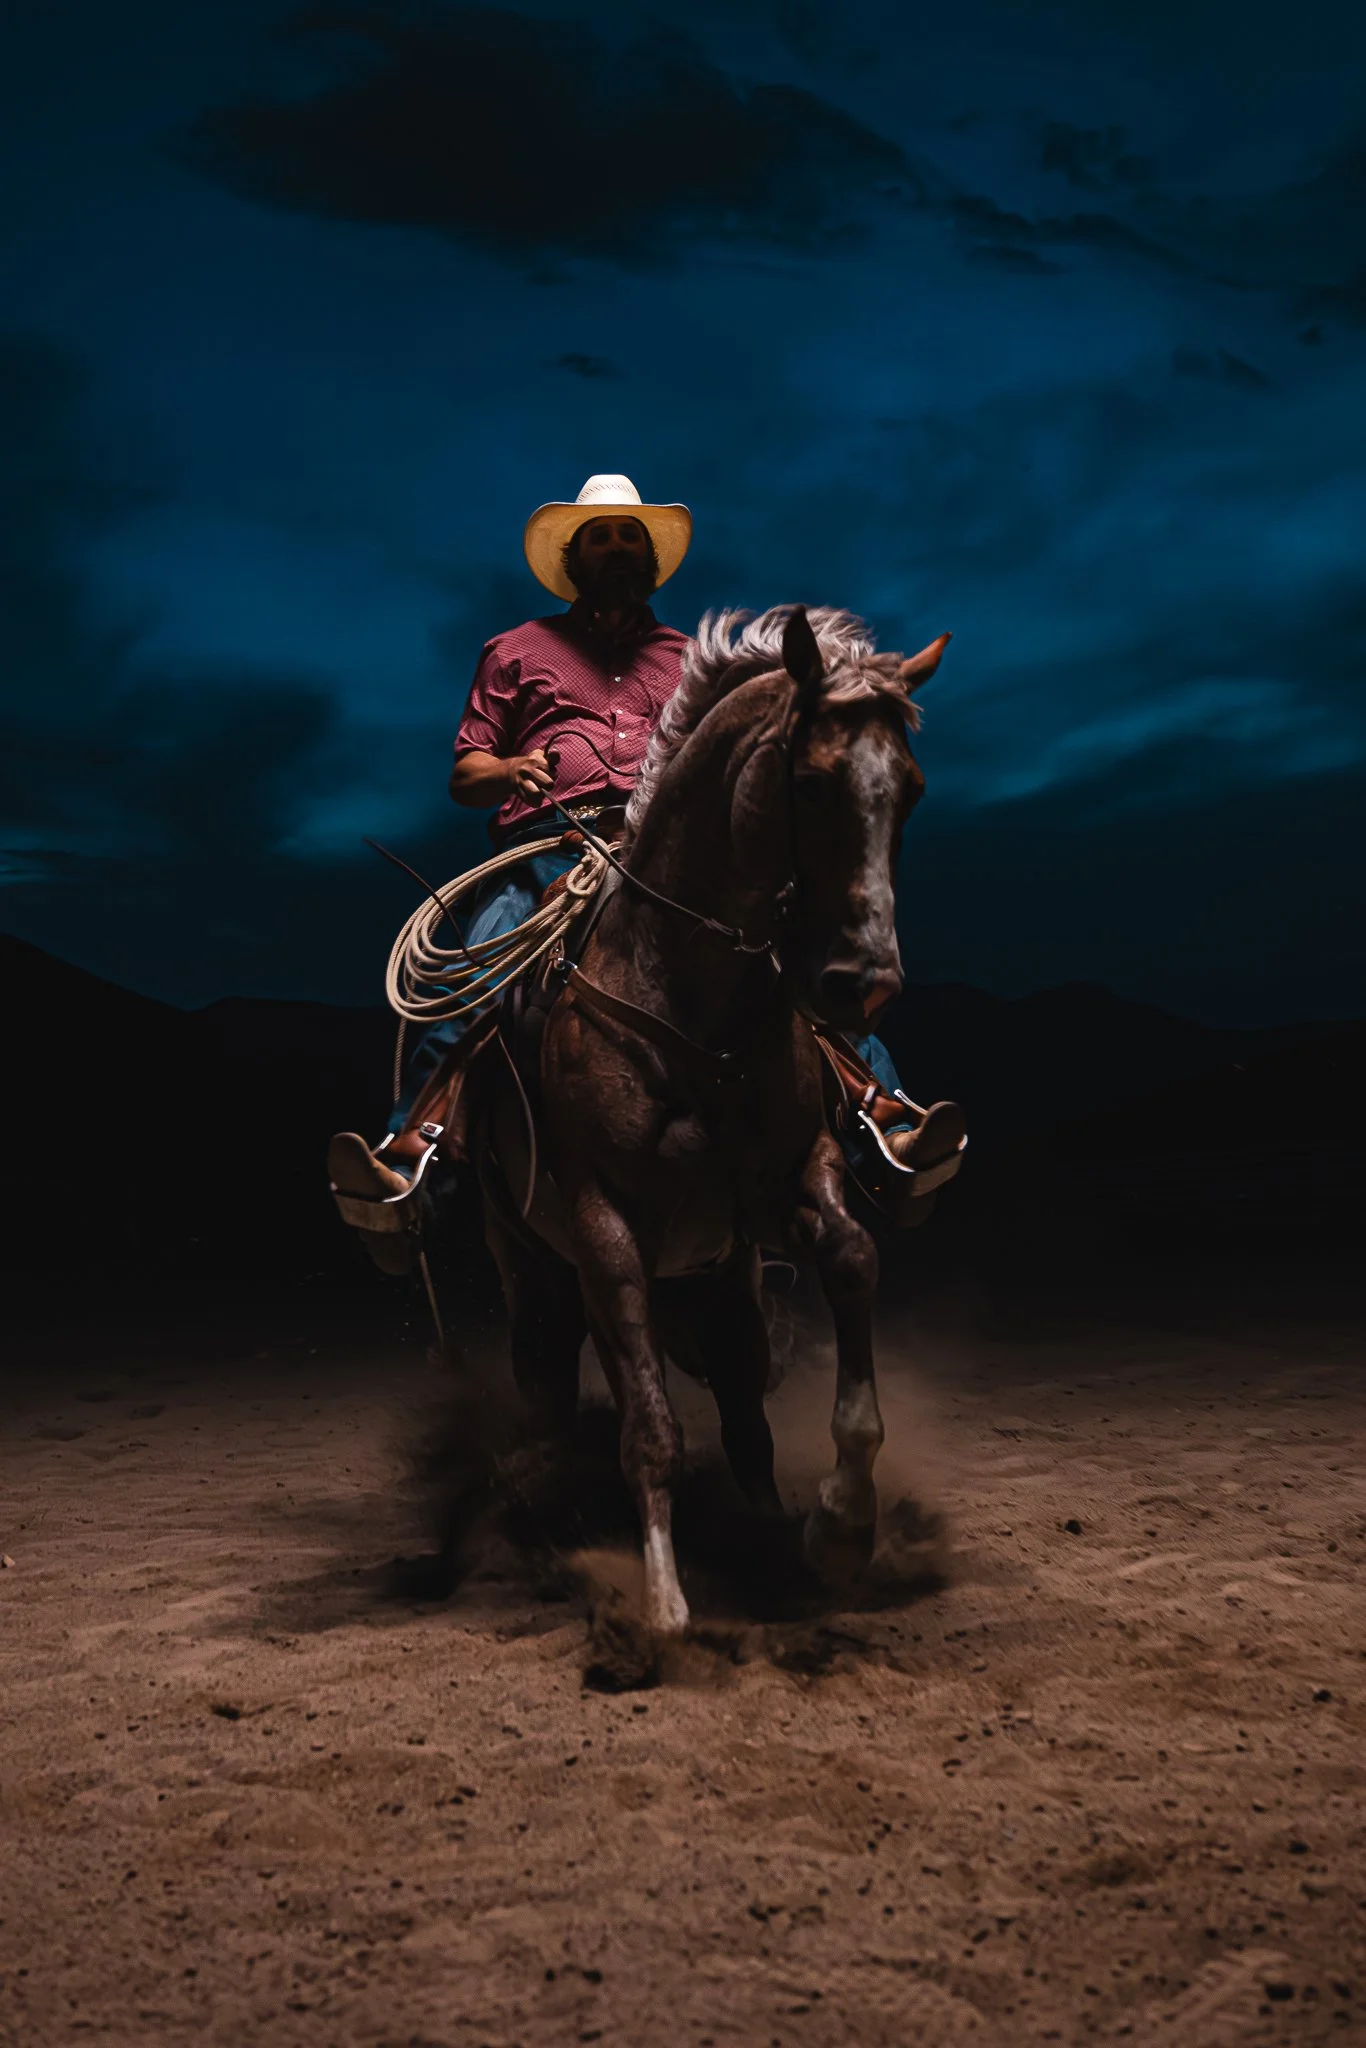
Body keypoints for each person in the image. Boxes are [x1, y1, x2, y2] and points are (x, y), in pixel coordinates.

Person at [328, 474, 964, 1270]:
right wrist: (512, 766)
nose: (621, 550)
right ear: (575, 556)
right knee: (474, 969)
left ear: (650, 558)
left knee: (783, 956)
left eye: (633, 538)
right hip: (550, 851)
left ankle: (884, 1118)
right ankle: (413, 1156)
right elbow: (465, 773)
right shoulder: (515, 651)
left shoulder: (685, 661)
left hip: (659, 858)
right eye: (604, 538)